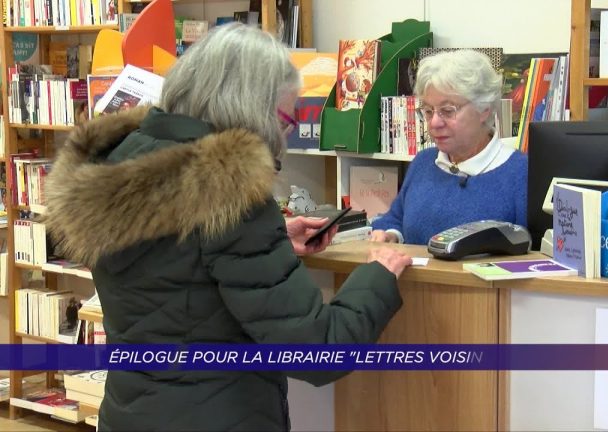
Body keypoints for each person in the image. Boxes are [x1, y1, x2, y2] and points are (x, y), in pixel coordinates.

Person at [43, 23, 412, 431]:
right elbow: (318, 350)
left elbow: (174, 261)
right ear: (252, 108)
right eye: (285, 120)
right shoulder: (230, 192)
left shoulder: (118, 161)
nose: (286, 134)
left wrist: (271, 239)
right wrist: (377, 277)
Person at [370, 50, 528, 244]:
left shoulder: (521, 173)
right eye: (428, 111)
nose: (434, 123)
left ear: (484, 110)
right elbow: (394, 219)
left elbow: (536, 252)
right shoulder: (424, 162)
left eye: (447, 110)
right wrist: (390, 234)